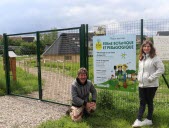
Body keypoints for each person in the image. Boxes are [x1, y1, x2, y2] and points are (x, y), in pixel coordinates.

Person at [132, 40, 165, 127]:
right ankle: (138, 119)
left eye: (148, 46)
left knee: (149, 101)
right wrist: (138, 77)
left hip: (151, 85)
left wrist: (151, 78)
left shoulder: (155, 58)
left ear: (151, 48)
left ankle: (149, 119)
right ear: (142, 48)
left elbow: (161, 69)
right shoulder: (141, 58)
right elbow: (141, 70)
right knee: (142, 102)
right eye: (144, 46)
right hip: (141, 84)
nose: (146, 48)